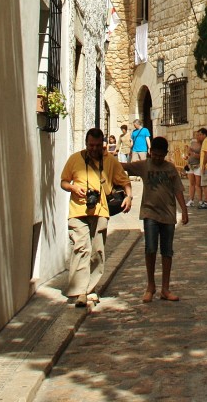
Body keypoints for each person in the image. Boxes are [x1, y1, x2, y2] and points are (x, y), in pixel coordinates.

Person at [60, 127, 132, 307]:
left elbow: (124, 181)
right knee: (81, 248)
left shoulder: (110, 161)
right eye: (91, 145)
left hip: (100, 210)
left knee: (97, 251)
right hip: (78, 210)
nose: (94, 149)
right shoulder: (75, 159)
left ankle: (89, 289)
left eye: (98, 146)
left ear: (103, 145)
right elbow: (63, 182)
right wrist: (74, 188)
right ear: (86, 144)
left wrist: (129, 197)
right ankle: (79, 291)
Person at [124, 136, 188, 302]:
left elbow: (178, 191)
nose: (158, 158)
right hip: (149, 213)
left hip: (168, 214)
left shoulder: (171, 169)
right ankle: (150, 286)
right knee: (150, 249)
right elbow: (124, 167)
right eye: (155, 155)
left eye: (161, 155)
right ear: (151, 152)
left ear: (165, 154)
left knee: (167, 251)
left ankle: (165, 288)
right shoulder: (144, 165)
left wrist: (185, 211)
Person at [184, 136, 201, 208]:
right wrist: (187, 153)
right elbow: (188, 154)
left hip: (197, 165)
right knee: (191, 184)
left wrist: (193, 153)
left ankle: (200, 201)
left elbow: (201, 156)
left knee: (198, 184)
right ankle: (191, 200)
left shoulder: (202, 144)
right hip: (190, 165)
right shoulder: (191, 143)